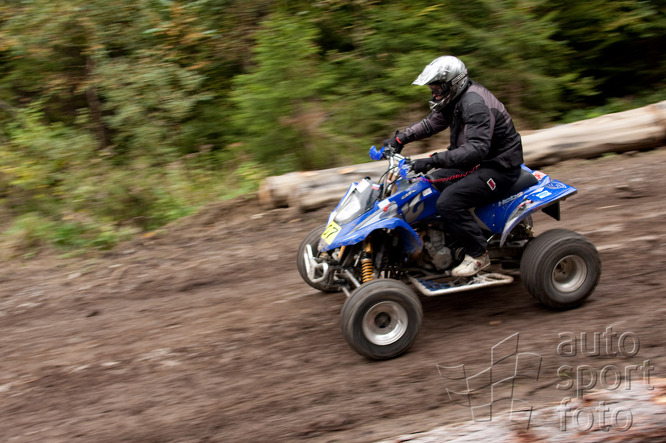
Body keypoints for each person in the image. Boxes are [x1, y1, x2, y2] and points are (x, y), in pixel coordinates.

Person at [383, 55, 524, 277]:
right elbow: (431, 123)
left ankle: (478, 254)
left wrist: (432, 160)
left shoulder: (475, 104)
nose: (434, 93)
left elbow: (477, 149)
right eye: (432, 88)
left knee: (449, 201)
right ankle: (440, 242)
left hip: (498, 167)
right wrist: (400, 139)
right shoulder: (454, 100)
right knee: (423, 186)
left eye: (437, 87)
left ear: (453, 83)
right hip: (475, 162)